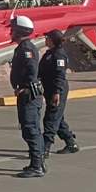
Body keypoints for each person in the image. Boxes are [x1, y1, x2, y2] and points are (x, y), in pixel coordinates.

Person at [9, 15, 45, 178]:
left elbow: (31, 70)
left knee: (30, 129)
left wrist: (24, 87)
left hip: (29, 94)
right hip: (26, 92)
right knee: (30, 129)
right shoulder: (23, 47)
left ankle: (37, 166)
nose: (11, 32)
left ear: (19, 31)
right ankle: (37, 163)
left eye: (13, 29)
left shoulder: (26, 49)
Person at [38, 30, 79, 159]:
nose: (45, 40)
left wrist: (57, 92)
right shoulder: (49, 53)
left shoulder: (59, 55)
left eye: (47, 38)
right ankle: (71, 143)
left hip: (57, 90)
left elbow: (60, 75)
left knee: (50, 119)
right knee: (58, 118)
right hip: (49, 89)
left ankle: (44, 148)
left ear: (52, 40)